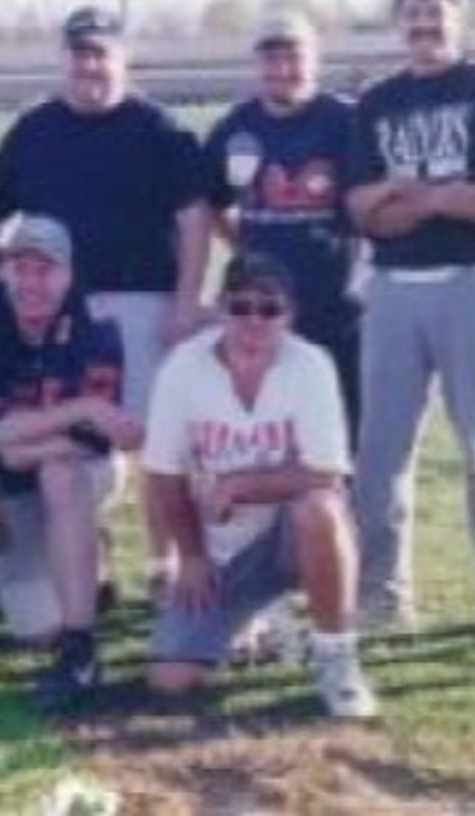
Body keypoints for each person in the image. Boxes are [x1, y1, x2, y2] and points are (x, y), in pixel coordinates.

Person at [0, 8, 212, 580]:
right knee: (69, 436)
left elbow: (194, 217)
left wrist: (187, 300)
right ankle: (86, 559)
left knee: (157, 439)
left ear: (123, 58)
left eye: (101, 53)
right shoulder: (34, 130)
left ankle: (164, 561)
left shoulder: (159, 130)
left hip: (143, 302)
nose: (90, 66)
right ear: (63, 59)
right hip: (54, 312)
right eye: (79, 54)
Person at [348, 0, 475, 640]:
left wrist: (408, 196)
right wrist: (441, 198)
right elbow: (363, 211)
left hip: (473, 283)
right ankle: (383, 596)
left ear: (460, 16)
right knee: (381, 455)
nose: (424, 21)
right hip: (394, 289)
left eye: (436, 8)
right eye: (413, 9)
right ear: (398, 19)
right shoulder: (376, 101)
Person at [144, 253, 378, 720]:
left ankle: (336, 656)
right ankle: (260, 615)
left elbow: (326, 474)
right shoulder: (183, 367)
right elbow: (164, 474)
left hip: (290, 535)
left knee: (319, 508)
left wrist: (244, 483)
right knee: (170, 679)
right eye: (241, 307)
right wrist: (190, 556)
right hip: (222, 549)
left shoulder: (311, 364)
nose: (254, 321)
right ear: (220, 308)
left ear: (289, 315)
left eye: (269, 309)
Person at [0, 215, 143, 710]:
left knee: (58, 476)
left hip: (83, 469)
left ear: (68, 275)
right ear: (3, 271)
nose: (32, 283)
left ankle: (80, 650)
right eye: (21, 269)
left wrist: (19, 447)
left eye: (46, 270)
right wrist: (81, 407)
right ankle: (89, 563)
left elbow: (92, 441)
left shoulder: (96, 323)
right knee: (35, 629)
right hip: (9, 482)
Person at [205, 11, 362, 443]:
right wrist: (244, 248)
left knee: (342, 431)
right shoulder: (234, 128)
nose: (282, 69)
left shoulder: (346, 121)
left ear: (315, 60)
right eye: (271, 58)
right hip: (260, 311)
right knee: (268, 430)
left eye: (293, 57)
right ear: (256, 64)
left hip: (335, 306)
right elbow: (209, 204)